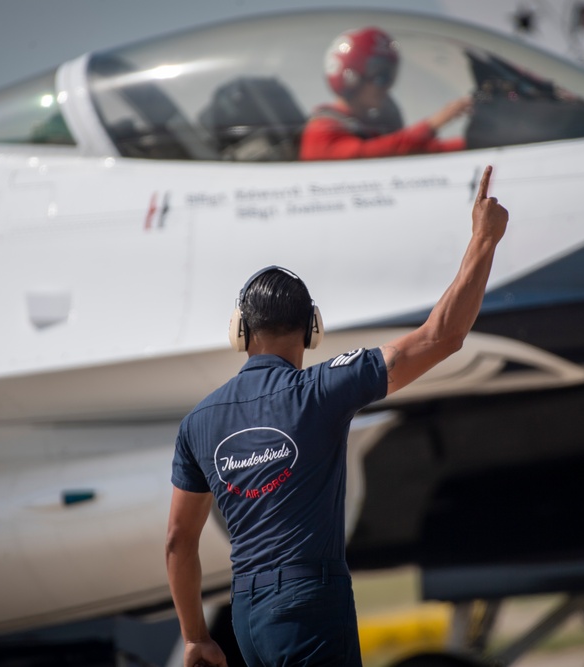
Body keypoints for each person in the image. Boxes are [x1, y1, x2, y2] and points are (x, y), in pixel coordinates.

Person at [166, 166, 508, 667]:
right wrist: (484, 240)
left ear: (240, 330)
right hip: (310, 604)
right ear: (313, 330)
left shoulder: (198, 422)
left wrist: (196, 637)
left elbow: (179, 540)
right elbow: (442, 337)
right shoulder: (322, 389)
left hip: (247, 616)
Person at [300, 27, 473, 161]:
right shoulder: (321, 132)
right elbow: (370, 154)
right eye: (380, 76)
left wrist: (472, 143)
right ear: (351, 76)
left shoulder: (363, 128)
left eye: (390, 75)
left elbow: (417, 152)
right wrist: (433, 124)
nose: (387, 86)